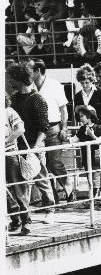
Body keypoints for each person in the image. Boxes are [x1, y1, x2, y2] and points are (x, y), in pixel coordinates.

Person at [7, 63, 56, 222]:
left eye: (11, 78)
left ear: (19, 79)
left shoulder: (37, 99)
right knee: (22, 182)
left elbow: (44, 127)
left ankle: (50, 208)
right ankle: (24, 216)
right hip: (18, 146)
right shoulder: (13, 98)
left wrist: (35, 148)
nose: (9, 82)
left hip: (34, 144)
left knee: (41, 177)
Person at [26, 59, 73, 203]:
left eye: (29, 69)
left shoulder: (54, 85)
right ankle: (51, 198)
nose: (27, 72)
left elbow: (63, 108)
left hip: (53, 127)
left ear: (37, 71)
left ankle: (68, 187)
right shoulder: (29, 87)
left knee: (54, 162)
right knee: (41, 165)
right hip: (37, 130)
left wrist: (64, 127)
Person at [5, 93, 32, 235]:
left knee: (18, 187)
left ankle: (26, 221)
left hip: (9, 153)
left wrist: (5, 141)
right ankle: (15, 219)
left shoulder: (8, 111)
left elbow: (20, 129)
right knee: (4, 190)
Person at [70, 105, 101, 195]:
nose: (80, 118)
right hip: (86, 157)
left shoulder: (99, 128)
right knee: (90, 178)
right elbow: (74, 140)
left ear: (89, 116)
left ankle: (99, 197)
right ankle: (96, 198)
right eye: (80, 116)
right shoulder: (82, 129)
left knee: (97, 179)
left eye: (82, 116)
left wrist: (92, 135)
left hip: (96, 157)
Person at [74, 64, 101, 136]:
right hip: (86, 130)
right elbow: (77, 116)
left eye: (87, 82)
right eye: (82, 83)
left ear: (92, 81)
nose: (84, 85)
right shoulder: (77, 96)